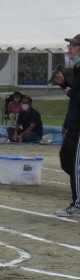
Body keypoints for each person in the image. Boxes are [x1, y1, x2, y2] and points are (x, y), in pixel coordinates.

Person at [52, 34, 80, 217]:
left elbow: (77, 96)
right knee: (68, 160)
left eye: (73, 45)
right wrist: (64, 85)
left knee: (76, 165)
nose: (69, 49)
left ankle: (77, 204)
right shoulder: (77, 69)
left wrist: (68, 90)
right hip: (74, 123)